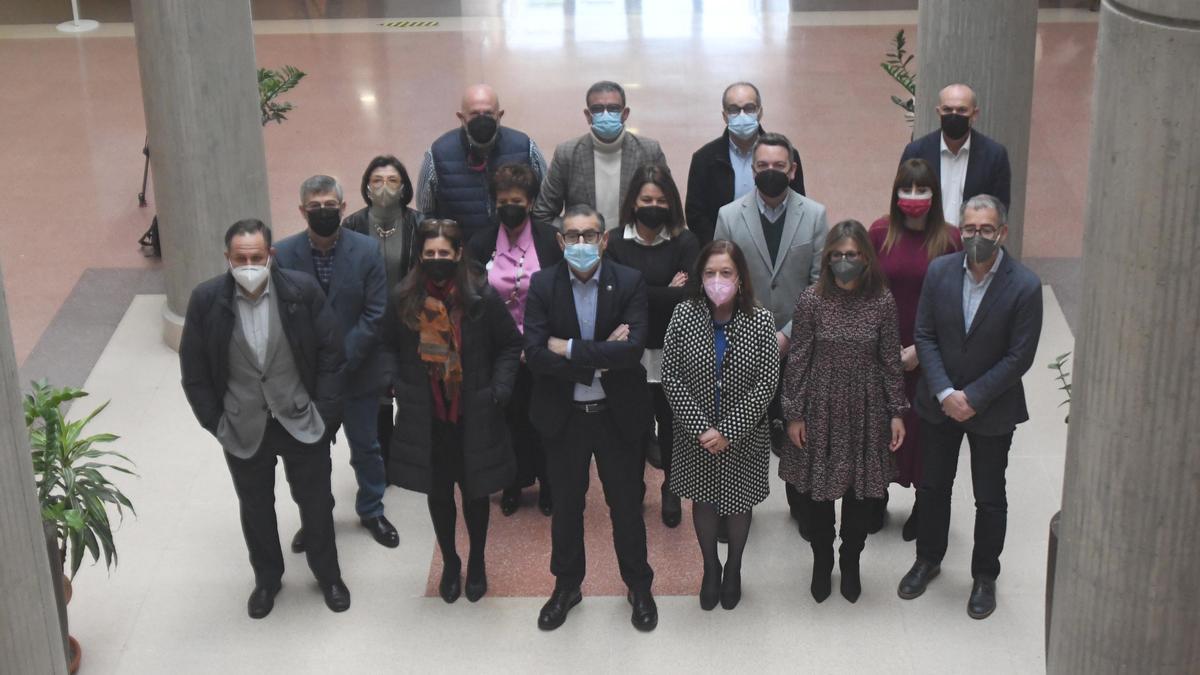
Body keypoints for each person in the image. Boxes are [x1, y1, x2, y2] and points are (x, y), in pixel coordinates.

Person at [179, 219, 350, 618]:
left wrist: (324, 415)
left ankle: (329, 576)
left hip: (300, 419)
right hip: (242, 426)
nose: (249, 264)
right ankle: (267, 579)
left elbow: (331, 354)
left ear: (270, 256)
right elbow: (195, 371)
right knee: (255, 508)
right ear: (228, 258)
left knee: (316, 504)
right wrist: (217, 423)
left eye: (257, 257)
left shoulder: (301, 291)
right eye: (241, 258)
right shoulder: (206, 301)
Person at [897, 195, 1042, 620]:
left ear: (1003, 232)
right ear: (961, 230)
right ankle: (928, 560)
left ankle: (984, 576)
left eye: (987, 229)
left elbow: (1020, 356)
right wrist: (945, 392)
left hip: (992, 409)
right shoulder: (940, 271)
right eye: (970, 229)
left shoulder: (1025, 285)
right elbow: (924, 335)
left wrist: (973, 397)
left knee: (990, 497)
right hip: (939, 402)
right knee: (933, 487)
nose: (977, 236)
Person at [524, 205, 657, 632]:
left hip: (617, 416)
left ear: (604, 239)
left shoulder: (630, 282)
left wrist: (571, 348)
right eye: (572, 236)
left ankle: (638, 586)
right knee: (566, 506)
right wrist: (600, 356)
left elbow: (633, 349)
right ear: (561, 242)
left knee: (626, 507)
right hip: (564, 417)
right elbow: (537, 355)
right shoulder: (543, 284)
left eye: (590, 235)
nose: (581, 243)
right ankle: (567, 586)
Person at [385, 219, 522, 603]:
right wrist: (396, 381)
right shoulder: (404, 298)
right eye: (429, 254)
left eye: (444, 253)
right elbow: (386, 348)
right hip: (428, 417)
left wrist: (499, 390)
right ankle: (450, 561)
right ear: (420, 257)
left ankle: (476, 560)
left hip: (473, 413)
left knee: (475, 493)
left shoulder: (480, 297)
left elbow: (511, 346)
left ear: (459, 254)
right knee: (440, 494)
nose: (437, 260)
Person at [780, 220, 908, 604]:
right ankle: (822, 561)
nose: (844, 261)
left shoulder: (882, 300)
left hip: (867, 408)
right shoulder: (811, 300)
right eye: (836, 255)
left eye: (851, 255)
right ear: (827, 259)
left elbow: (890, 361)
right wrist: (794, 413)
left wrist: (896, 412)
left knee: (859, 493)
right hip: (820, 405)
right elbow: (799, 359)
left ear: (865, 258)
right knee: (818, 494)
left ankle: (850, 560)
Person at [274, 175, 399, 551]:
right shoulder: (283, 254)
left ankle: (372, 509)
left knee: (367, 446)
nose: (324, 212)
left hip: (359, 373)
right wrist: (319, 366)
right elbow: (282, 318)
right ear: (302, 211)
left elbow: (376, 313)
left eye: (331, 206)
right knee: (312, 454)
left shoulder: (366, 250)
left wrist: (340, 359)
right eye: (315, 208)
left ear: (344, 209)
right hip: (307, 381)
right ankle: (317, 515)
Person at [713, 131, 828, 537]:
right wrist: (757, 330)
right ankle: (735, 506)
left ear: (793, 170)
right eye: (762, 166)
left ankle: (801, 503)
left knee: (799, 426)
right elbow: (722, 278)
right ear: (752, 169)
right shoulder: (730, 215)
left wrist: (788, 334)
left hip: (801, 342)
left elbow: (819, 285)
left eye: (779, 166)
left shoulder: (814, 215)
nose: (771, 173)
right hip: (745, 337)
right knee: (742, 426)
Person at [662, 240, 779, 611]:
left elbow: (767, 383)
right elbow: (670, 376)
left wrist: (728, 430)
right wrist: (701, 428)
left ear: (740, 277)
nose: (717, 280)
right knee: (704, 500)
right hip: (694, 435)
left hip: (743, 437)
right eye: (710, 273)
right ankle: (710, 568)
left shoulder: (760, 319)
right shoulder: (683, 314)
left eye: (725, 273)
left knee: (738, 502)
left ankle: (734, 568)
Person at [868, 158, 963, 539]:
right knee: (879, 427)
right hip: (883, 350)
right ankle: (875, 500)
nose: (912, 197)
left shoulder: (951, 240)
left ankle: (925, 506)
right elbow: (866, 293)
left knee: (925, 431)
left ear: (934, 196)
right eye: (906, 189)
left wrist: (920, 352)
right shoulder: (879, 233)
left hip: (931, 352)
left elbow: (956, 305)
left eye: (921, 190)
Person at [605, 162, 699, 528]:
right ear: (633, 202)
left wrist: (638, 291)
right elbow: (613, 297)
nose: (653, 205)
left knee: (671, 422)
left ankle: (672, 488)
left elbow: (692, 294)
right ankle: (634, 485)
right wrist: (666, 292)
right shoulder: (614, 241)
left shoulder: (685, 240)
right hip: (629, 349)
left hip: (672, 348)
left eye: (661, 200)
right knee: (633, 423)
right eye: (646, 199)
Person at [466, 163, 563, 517]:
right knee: (508, 421)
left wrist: (537, 342)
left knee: (545, 420)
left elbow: (560, 293)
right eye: (503, 200)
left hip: (542, 346)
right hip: (500, 351)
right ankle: (512, 483)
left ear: (531, 202)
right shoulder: (480, 241)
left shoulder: (549, 240)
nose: (510, 207)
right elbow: (473, 297)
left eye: (517, 200)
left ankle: (550, 483)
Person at [342, 155, 422, 468]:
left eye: (392, 181)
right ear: (366, 187)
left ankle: (408, 456)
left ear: (404, 188)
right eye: (377, 181)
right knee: (376, 395)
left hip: (409, 321)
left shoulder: (418, 223)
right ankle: (382, 458)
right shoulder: (353, 225)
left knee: (409, 389)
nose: (384, 188)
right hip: (369, 321)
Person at [530, 81, 667, 231]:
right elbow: (542, 214)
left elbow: (668, 206)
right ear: (588, 115)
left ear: (625, 114)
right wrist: (574, 233)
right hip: (584, 249)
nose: (606, 114)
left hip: (633, 249)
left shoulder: (649, 151)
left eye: (614, 108)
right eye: (598, 109)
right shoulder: (567, 153)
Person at [417, 84, 547, 241]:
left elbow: (545, 202)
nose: (482, 119)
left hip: (518, 248)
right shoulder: (438, 154)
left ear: (500, 115)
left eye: (488, 113)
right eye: (474, 114)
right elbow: (426, 212)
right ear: (461, 117)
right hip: (462, 254)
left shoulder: (526, 147)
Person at [685, 81, 806, 245]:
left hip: (774, 245)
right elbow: (695, 214)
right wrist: (717, 247)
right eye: (734, 110)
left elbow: (797, 204)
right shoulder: (704, 159)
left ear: (760, 112)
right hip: (722, 249)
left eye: (749, 108)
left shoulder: (786, 154)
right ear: (724, 116)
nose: (742, 115)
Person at [899, 83, 1011, 226]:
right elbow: (901, 198)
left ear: (975, 114)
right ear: (938, 112)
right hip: (926, 242)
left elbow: (1000, 210)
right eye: (947, 109)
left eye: (962, 110)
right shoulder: (916, 151)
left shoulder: (994, 155)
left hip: (971, 243)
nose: (954, 115)